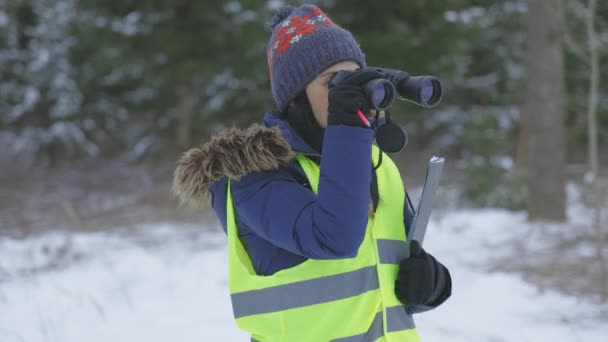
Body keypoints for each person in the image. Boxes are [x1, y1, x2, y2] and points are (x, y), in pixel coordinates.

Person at [173, 4, 451, 341]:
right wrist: (348, 124)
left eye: (356, 78)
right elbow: (335, 239)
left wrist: (430, 286)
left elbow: (379, 281)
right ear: (296, 97)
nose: (352, 95)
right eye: (335, 83)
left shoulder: (376, 164)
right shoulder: (252, 174)